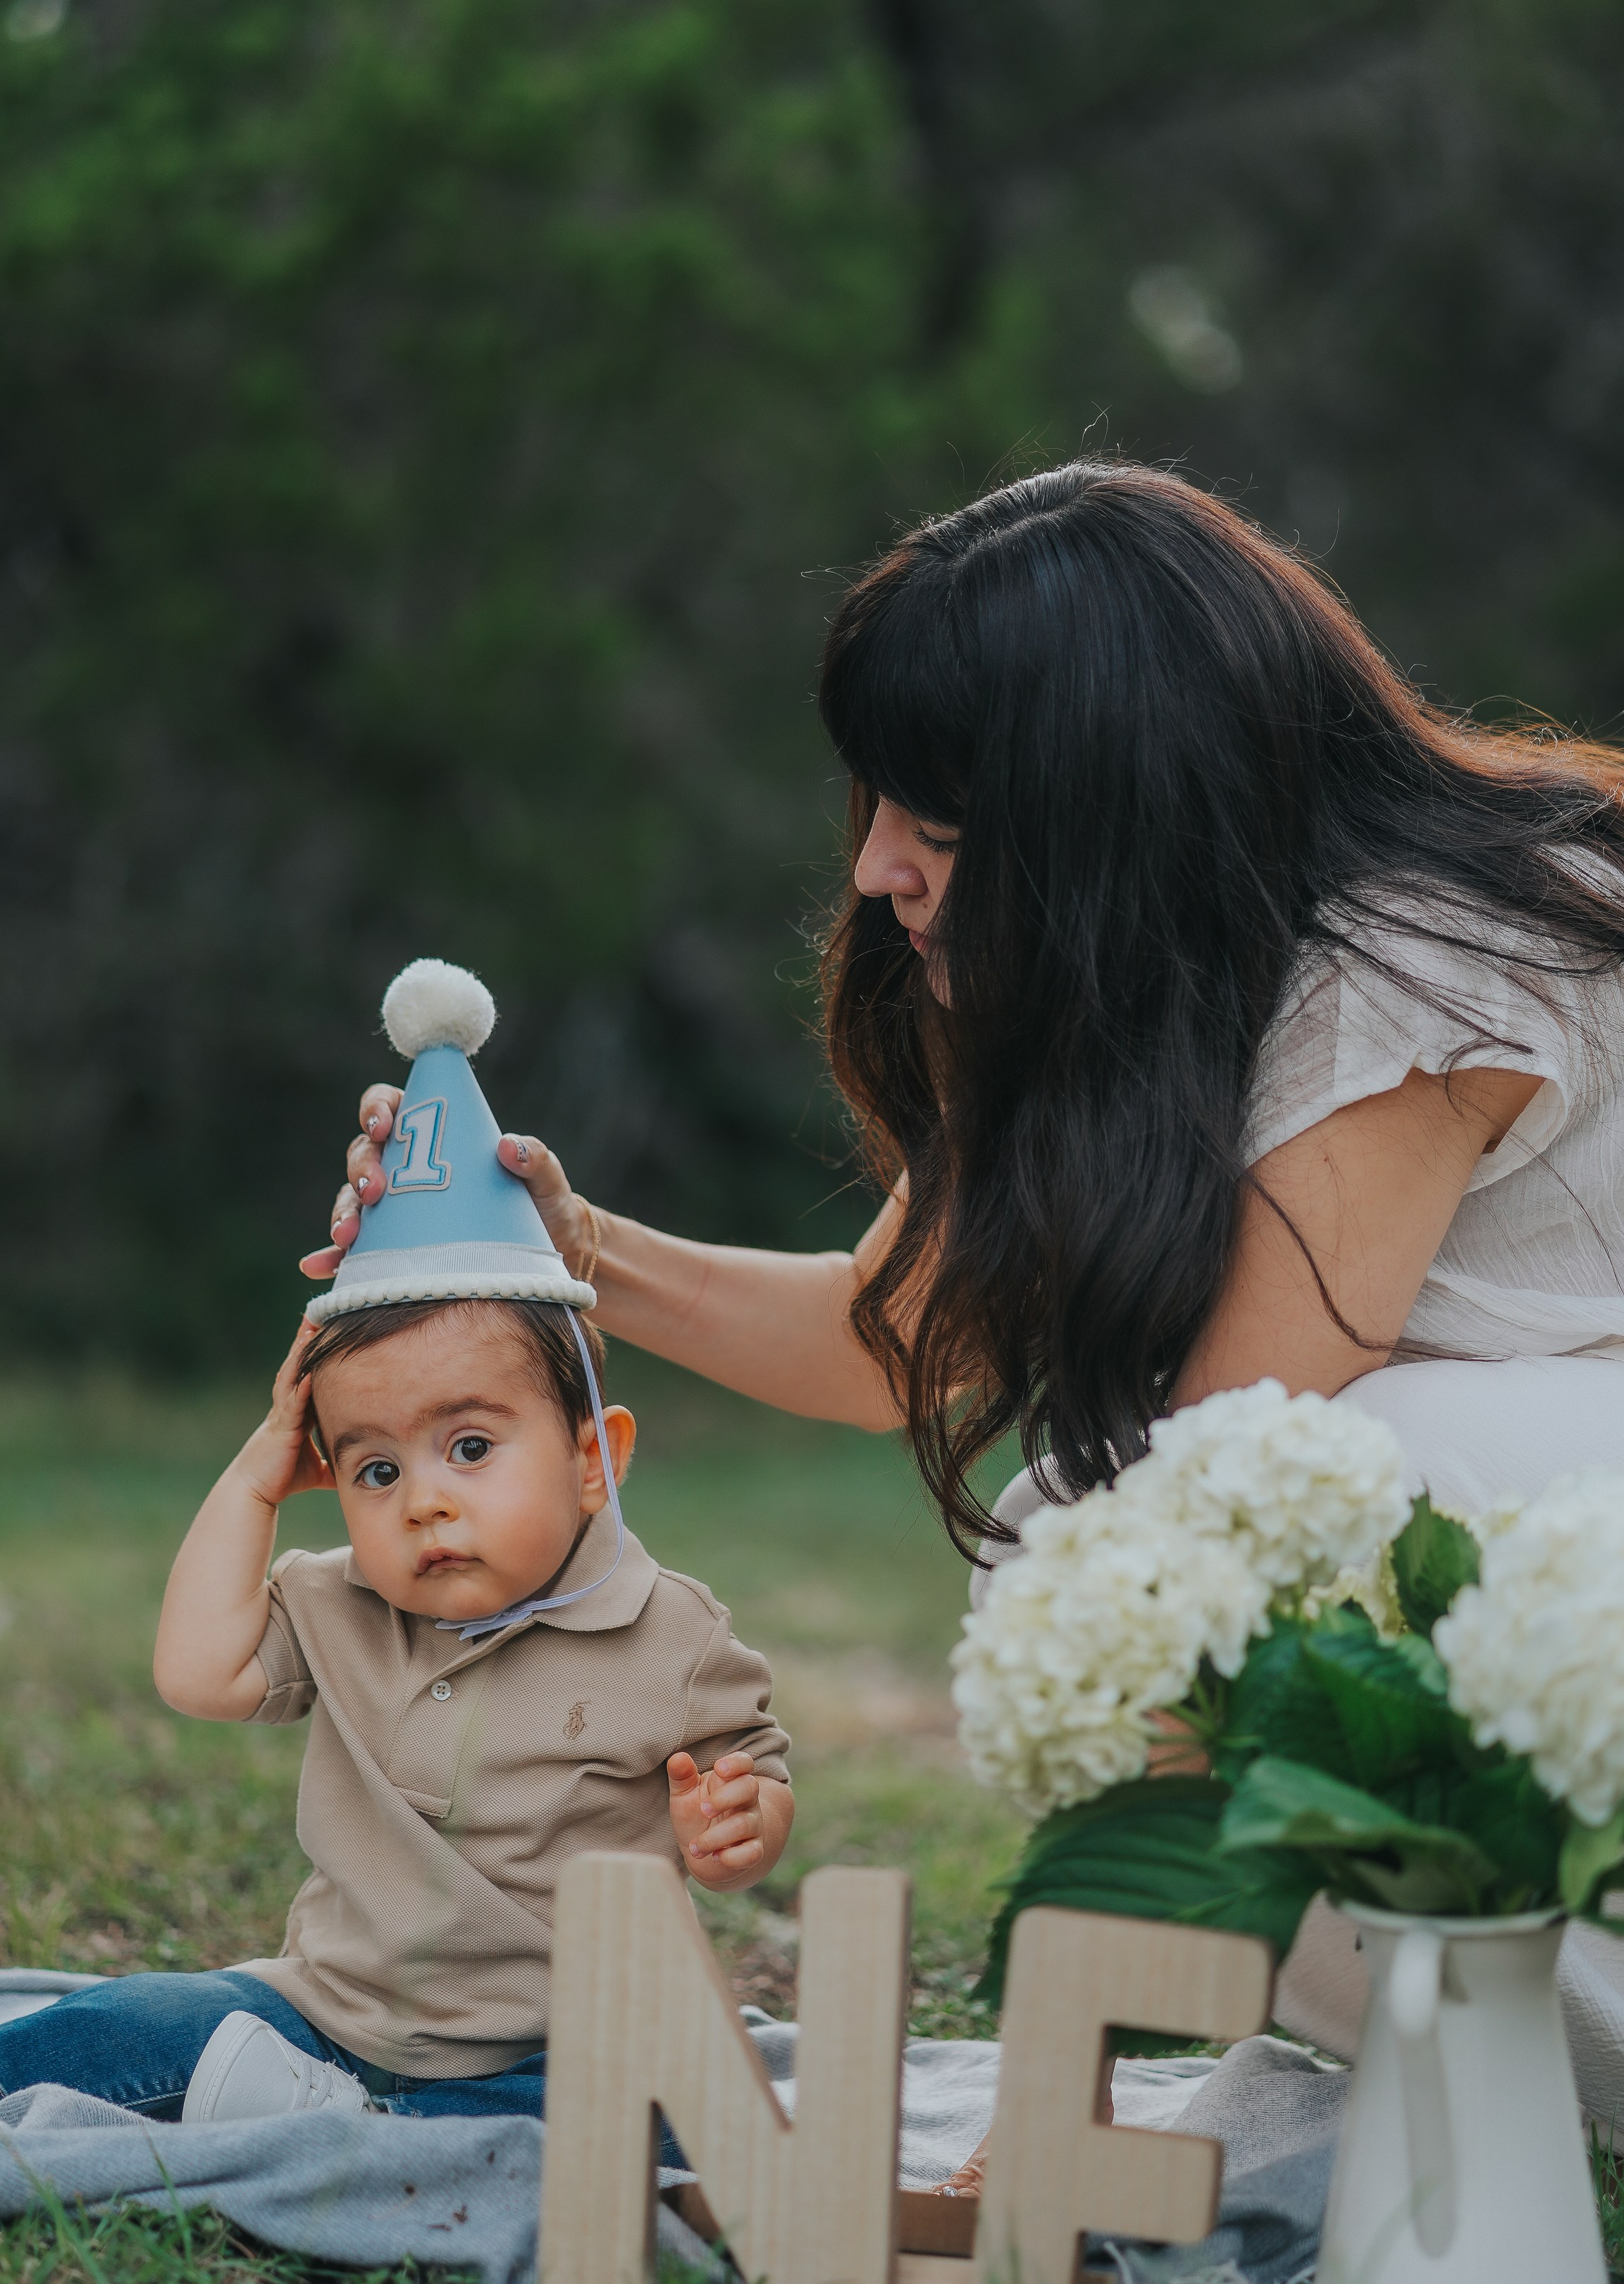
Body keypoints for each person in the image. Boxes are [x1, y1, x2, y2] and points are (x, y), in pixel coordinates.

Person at [307, 460, 1624, 1539]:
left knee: (1167, 1520)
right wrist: (557, 1235)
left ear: (1114, 820)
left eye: (936, 822)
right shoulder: (1156, 971)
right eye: (877, 801)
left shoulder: (1434, 968)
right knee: (1076, 1535)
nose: (878, 870)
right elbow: (883, 1345)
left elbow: (1239, 1448)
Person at [0, 1296, 792, 2121]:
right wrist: (252, 1481)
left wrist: (739, 1830)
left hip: (561, 2042)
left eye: (471, 1448)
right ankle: (331, 2111)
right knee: (122, 2025)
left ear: (592, 1458)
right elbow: (198, 1676)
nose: (423, 1501)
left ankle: (348, 2123)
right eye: (377, 1470)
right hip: (326, 2011)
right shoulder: (336, 1600)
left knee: (662, 2123)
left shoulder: (671, 1633)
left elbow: (756, 1771)